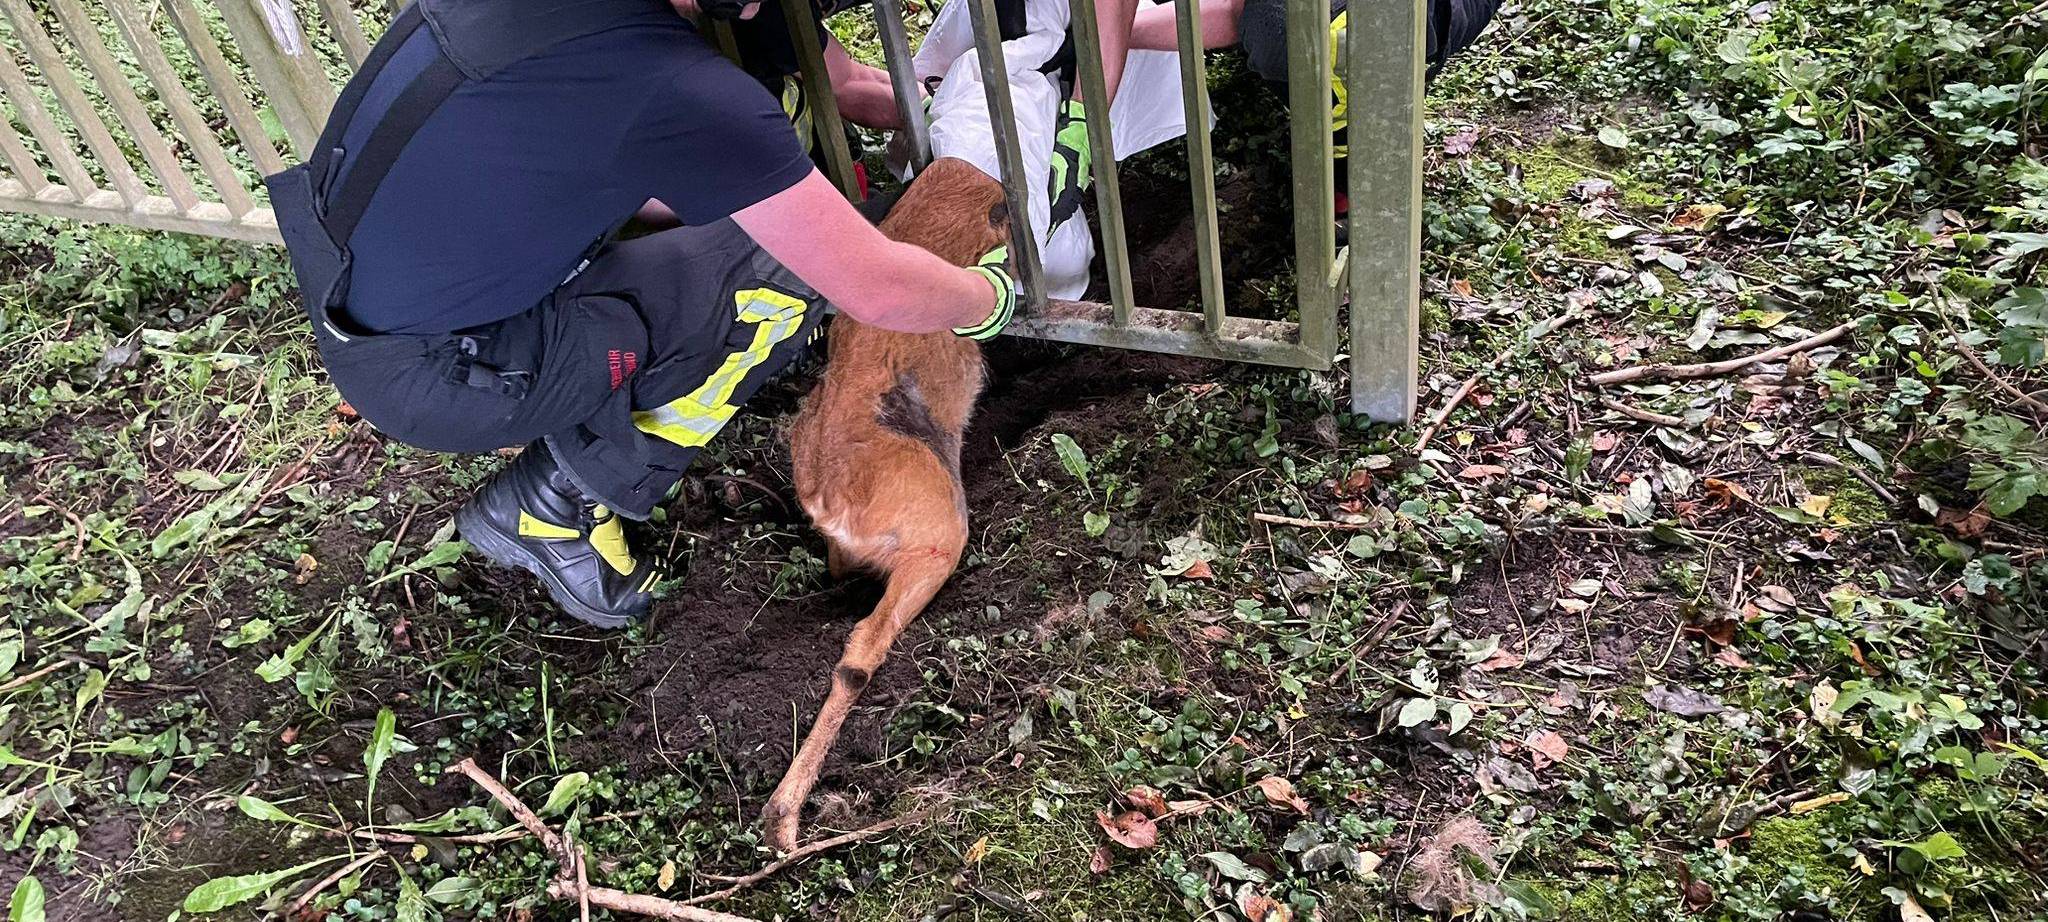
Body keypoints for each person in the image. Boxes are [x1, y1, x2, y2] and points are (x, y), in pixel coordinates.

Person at [265, 0, 1019, 628]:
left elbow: (848, 83)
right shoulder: (670, 89)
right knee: (783, 272)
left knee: (766, 228)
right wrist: (990, 298)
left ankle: (614, 370)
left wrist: (953, 109)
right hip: (443, 370)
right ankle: (561, 500)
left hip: (386, 276)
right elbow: (876, 287)